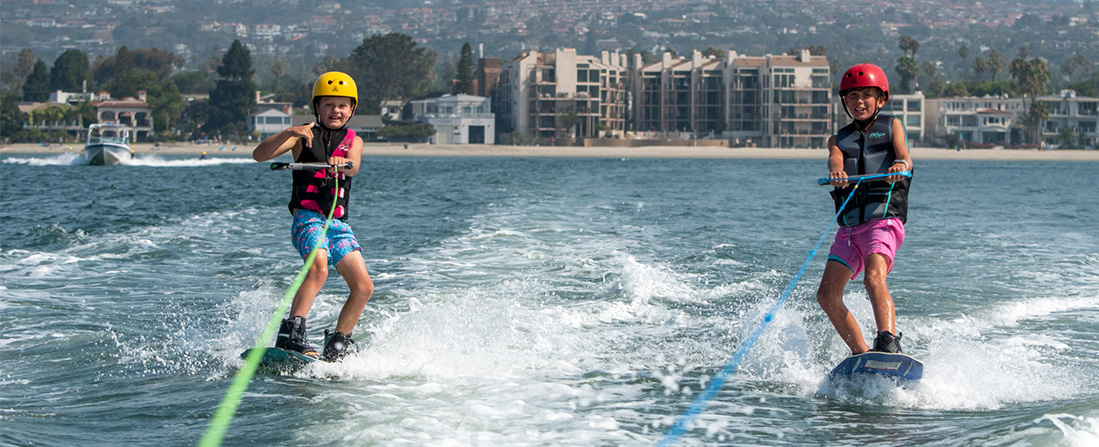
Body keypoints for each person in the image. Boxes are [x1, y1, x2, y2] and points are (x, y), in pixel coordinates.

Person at [252, 72, 375, 362]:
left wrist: (342, 162)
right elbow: (260, 155)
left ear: (352, 109)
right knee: (319, 268)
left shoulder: (354, 141)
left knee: (363, 287)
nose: (336, 110)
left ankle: (338, 343)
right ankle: (291, 334)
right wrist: (288, 133)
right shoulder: (301, 136)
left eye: (343, 105)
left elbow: (354, 165)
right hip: (308, 219)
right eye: (329, 104)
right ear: (317, 107)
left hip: (337, 225)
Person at [816, 63, 913, 356]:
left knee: (873, 277)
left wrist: (900, 165)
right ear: (845, 101)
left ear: (880, 99)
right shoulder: (838, 140)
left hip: (883, 220)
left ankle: (888, 341)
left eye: (866, 95)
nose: (859, 102)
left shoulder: (892, 126)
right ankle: (860, 354)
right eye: (853, 96)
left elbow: (905, 157)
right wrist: (836, 171)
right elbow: (835, 159)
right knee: (826, 294)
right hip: (849, 230)